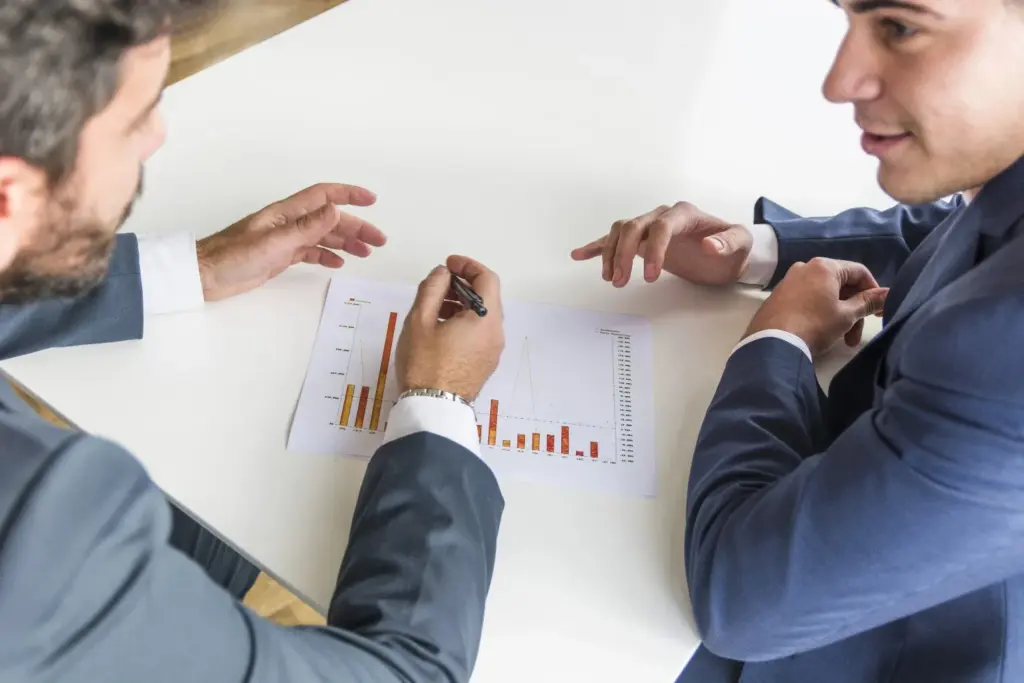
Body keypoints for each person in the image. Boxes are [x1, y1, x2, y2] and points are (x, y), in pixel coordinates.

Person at [0, 2, 506, 682]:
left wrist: (195, 267)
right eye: (136, 117)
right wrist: (440, 402)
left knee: (214, 543)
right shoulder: (49, 536)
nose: (158, 135)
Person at [574, 0, 1024, 681]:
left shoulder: (1000, 353)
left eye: (899, 27)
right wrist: (756, 252)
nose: (839, 81)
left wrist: (776, 341)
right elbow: (970, 220)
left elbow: (741, 597)